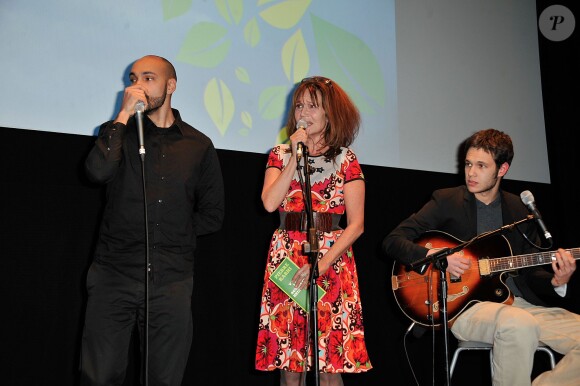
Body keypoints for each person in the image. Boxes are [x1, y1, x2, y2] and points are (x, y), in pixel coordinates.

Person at [382, 128, 580, 385]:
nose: (471, 173)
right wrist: (435, 256)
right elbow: (393, 241)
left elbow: (531, 269)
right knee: (519, 325)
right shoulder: (447, 200)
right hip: (464, 308)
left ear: (502, 169)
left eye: (481, 165)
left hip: (517, 304)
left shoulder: (520, 210)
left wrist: (557, 281)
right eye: (468, 164)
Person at [80, 55, 225, 385]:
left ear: (170, 86)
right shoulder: (117, 132)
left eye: (148, 78)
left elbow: (214, 214)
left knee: (163, 379)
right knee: (98, 377)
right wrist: (122, 115)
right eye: (133, 78)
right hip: (113, 274)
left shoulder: (199, 145)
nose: (137, 86)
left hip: (170, 279)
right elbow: (97, 172)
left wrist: (177, 235)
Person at [255, 76, 372, 386]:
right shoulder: (280, 155)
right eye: (299, 106)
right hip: (287, 261)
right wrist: (295, 156)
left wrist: (319, 265)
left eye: (312, 106)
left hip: (331, 260)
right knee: (290, 360)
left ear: (329, 113)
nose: (303, 113)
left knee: (330, 362)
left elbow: (356, 224)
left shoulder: (346, 160)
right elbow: (269, 203)